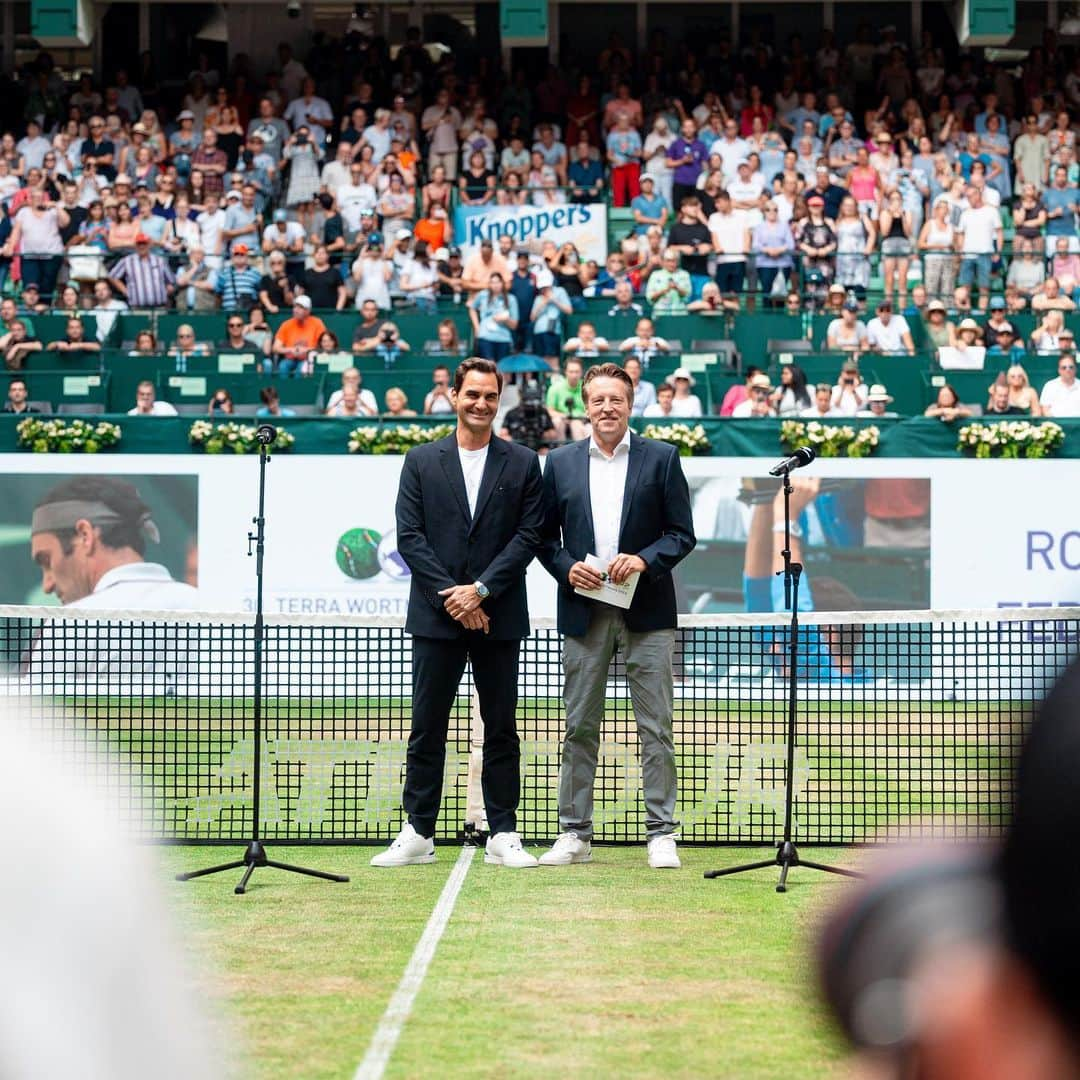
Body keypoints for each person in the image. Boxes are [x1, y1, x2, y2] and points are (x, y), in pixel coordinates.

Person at [371, 358, 544, 870]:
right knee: (427, 726)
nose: (481, 404)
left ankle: (503, 832)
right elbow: (411, 538)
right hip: (437, 618)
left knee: (501, 728)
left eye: (490, 396)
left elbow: (528, 536)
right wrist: (456, 596)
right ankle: (419, 831)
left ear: (499, 400)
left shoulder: (522, 462)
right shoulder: (421, 460)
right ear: (453, 395)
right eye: (473, 394)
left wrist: (483, 591)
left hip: (499, 616)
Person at [537, 362, 696, 869]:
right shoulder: (559, 463)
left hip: (648, 611)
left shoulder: (663, 458)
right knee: (579, 724)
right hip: (584, 612)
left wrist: (645, 559)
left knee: (657, 726)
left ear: (631, 405)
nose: (608, 408)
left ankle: (661, 833)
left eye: (617, 400)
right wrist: (567, 570)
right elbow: (541, 538)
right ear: (585, 406)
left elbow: (680, 534)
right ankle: (574, 834)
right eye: (599, 400)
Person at [28, 476, 198, 609]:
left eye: (47, 562)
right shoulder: (206, 608)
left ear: (85, 535)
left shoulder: (63, 631)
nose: (47, 585)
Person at [468, 272, 518, 362]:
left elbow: (514, 325)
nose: (495, 285)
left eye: (498, 282)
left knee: (502, 368)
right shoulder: (483, 295)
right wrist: (477, 327)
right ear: (489, 284)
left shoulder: (511, 299)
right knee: (489, 365)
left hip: (503, 338)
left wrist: (505, 319)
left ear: (502, 283)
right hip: (485, 336)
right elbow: (472, 308)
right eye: (492, 282)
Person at [271, 296, 327, 376]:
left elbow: (324, 346)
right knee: (283, 366)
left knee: (301, 369)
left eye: (300, 307)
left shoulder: (317, 323)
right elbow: (275, 348)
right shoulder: (286, 324)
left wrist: (305, 350)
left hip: (308, 359)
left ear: (308, 311)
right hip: (290, 359)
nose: (296, 310)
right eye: (295, 307)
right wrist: (291, 350)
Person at [1039, 352, 1080, 417]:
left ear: (1075, 369)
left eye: (1071, 367)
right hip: (1056, 424)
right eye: (1064, 367)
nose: (1068, 370)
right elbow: (1045, 410)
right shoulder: (1050, 386)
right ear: (1059, 370)